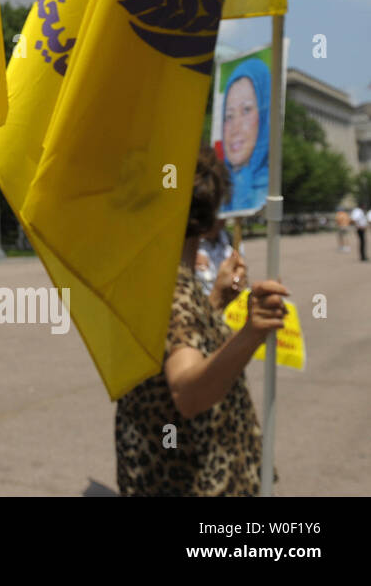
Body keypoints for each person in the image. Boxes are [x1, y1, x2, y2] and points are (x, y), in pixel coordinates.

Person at [114, 146, 288, 496]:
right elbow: (188, 392)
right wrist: (251, 332)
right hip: (197, 484)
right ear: (211, 217)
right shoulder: (171, 288)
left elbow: (177, 339)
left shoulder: (160, 281)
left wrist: (215, 301)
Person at [221, 59, 269, 213]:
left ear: (263, 116)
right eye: (229, 116)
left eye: (246, 110)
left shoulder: (270, 192)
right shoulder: (218, 191)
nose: (235, 128)